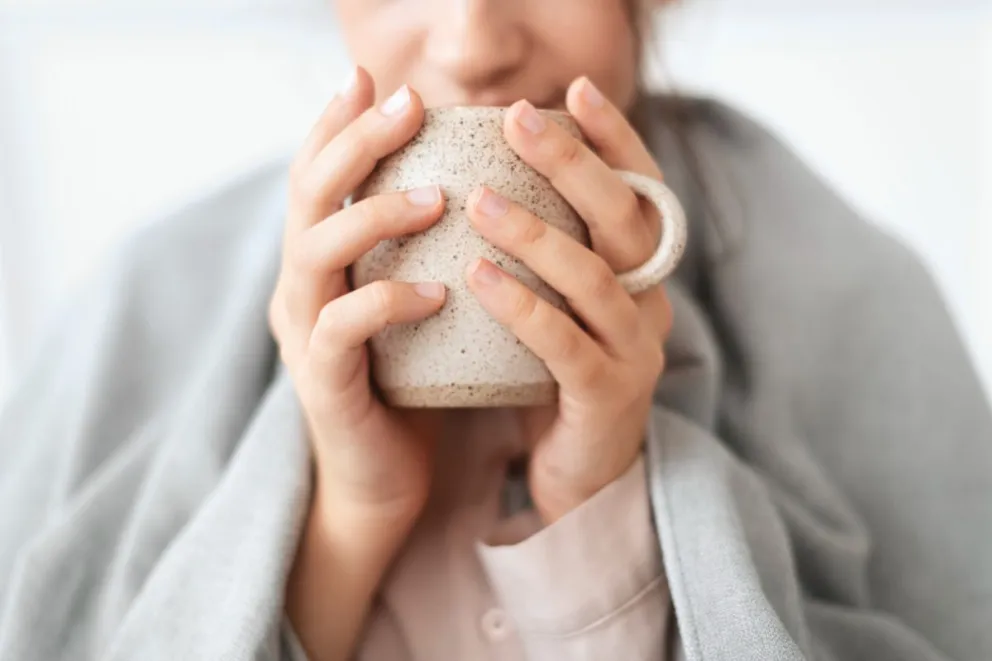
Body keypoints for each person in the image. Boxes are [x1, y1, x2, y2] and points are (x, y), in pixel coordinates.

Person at [0, 0, 990, 660]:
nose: (472, 43)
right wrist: (348, 507)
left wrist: (597, 495)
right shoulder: (145, 303)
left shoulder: (833, 283)